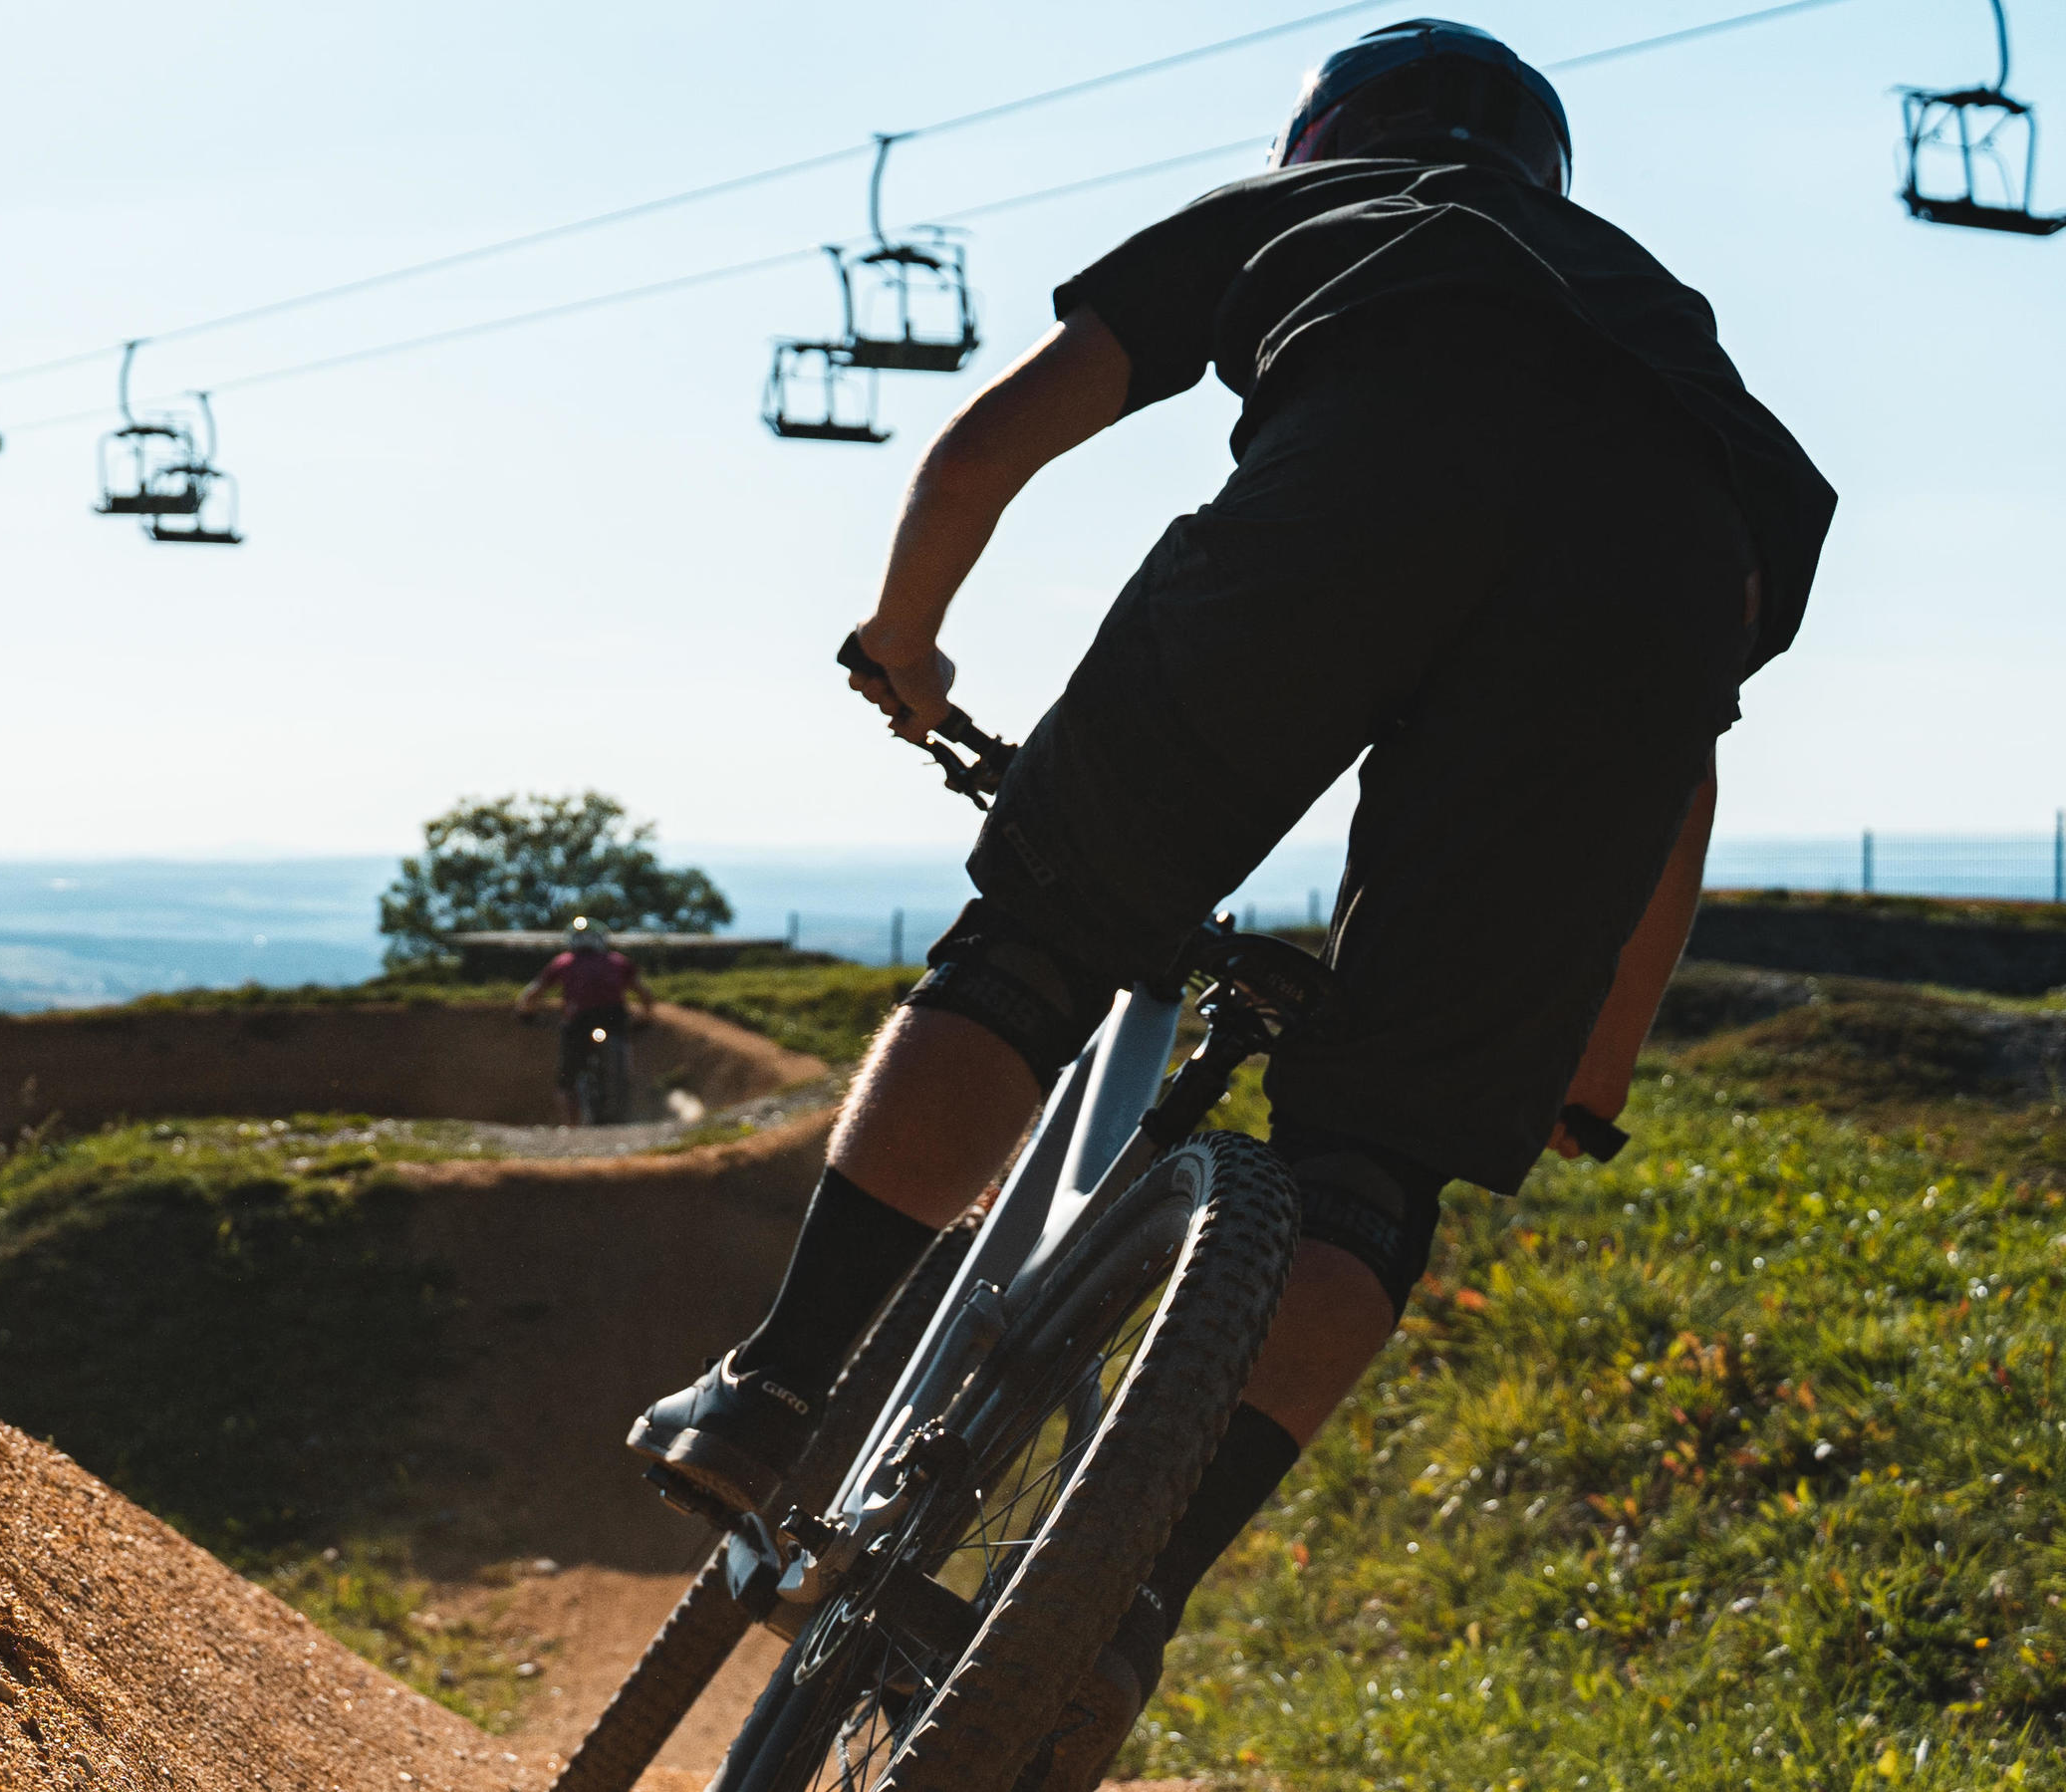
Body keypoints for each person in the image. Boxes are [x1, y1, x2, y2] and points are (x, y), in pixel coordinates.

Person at [627, 20, 1833, 1789]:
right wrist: (1595, 1072)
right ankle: (1124, 1606)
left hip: (1359, 495)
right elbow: (1678, 793)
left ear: (1326, 125)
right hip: (1655, 580)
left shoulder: (1330, 201)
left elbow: (986, 447)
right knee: (1375, 1167)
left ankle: (777, 1387)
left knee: (1034, 942)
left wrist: (904, 642)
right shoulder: (1678, 349)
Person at [515, 916, 656, 1124]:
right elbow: (646, 996)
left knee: (567, 1080)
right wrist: (646, 1017)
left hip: (577, 1024)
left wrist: (525, 1012)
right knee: (625, 1067)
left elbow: (532, 994)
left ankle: (571, 1128)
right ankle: (624, 1108)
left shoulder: (563, 962)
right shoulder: (618, 961)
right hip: (614, 1022)